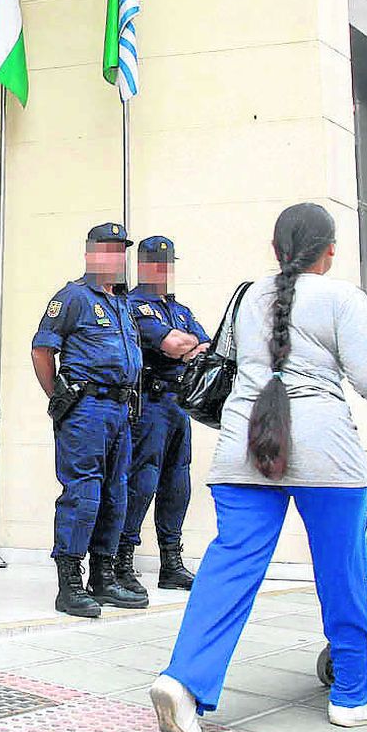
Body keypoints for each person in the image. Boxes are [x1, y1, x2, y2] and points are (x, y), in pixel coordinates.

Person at [149, 203, 367, 732]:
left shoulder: (249, 296)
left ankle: (183, 681)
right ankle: (353, 695)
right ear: (331, 251)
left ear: (276, 251)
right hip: (325, 453)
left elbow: (223, 360)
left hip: (243, 445)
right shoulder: (344, 298)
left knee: (229, 565)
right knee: (341, 569)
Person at [32, 224, 148, 617]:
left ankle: (103, 576)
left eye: (121, 252)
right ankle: (70, 584)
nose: (117, 259)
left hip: (120, 409)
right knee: (83, 495)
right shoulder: (73, 298)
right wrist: (59, 397)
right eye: (109, 251)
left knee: (117, 494)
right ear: (90, 254)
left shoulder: (121, 302)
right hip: (87, 410)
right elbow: (42, 349)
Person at [118, 235, 210, 596]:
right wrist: (184, 345)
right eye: (157, 263)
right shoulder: (134, 305)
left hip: (179, 405)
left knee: (177, 485)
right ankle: (122, 559)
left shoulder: (179, 309)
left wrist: (184, 345)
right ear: (142, 266)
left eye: (168, 263)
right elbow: (174, 345)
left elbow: (207, 347)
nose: (164, 270)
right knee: (142, 481)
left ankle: (171, 563)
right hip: (150, 404)